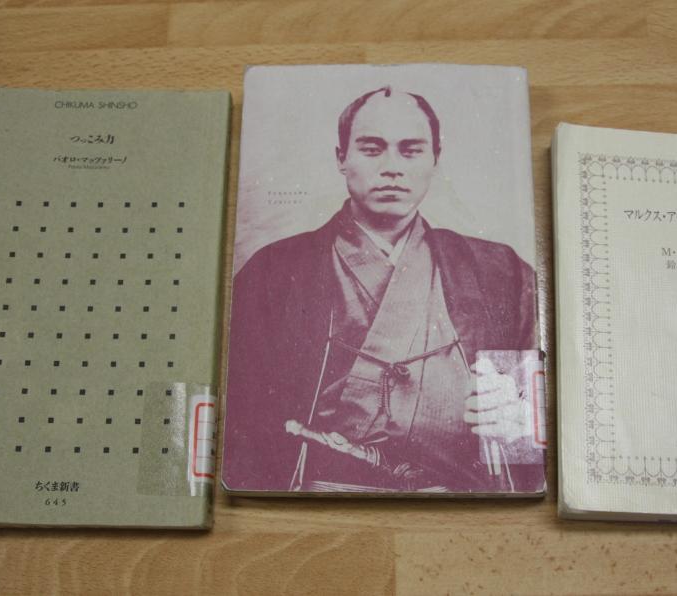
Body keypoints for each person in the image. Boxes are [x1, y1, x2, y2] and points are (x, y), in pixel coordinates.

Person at [222, 86, 540, 493]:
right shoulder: (274, 271)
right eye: (372, 149)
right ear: (341, 157)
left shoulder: (499, 271)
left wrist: (520, 419)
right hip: (319, 497)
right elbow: (242, 418)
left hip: (463, 498)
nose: (392, 168)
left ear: (435, 158)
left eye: (411, 150)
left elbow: (534, 422)